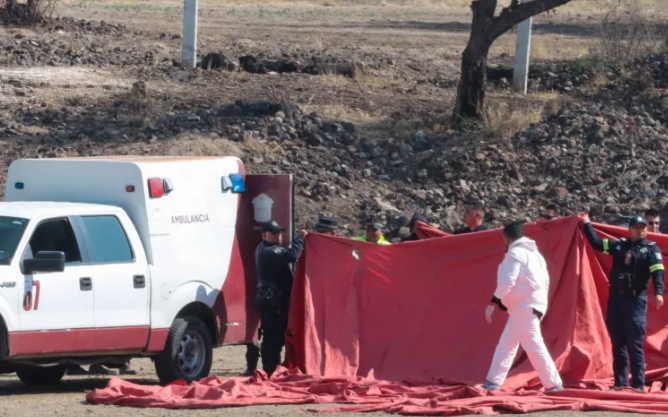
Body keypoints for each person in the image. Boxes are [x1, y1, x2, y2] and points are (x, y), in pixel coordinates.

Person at [580, 214, 665, 391]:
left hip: (636, 301)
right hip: (616, 300)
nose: (640, 230)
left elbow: (658, 272)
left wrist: (658, 292)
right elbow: (596, 243)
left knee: (634, 344)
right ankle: (620, 382)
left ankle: (638, 384)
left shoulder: (651, 249)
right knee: (618, 343)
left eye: (643, 227)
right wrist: (586, 223)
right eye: (637, 227)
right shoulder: (619, 246)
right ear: (630, 229)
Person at [481, 221, 563, 392]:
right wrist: (507, 302)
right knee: (507, 344)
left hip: (524, 306)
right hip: (528, 305)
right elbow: (537, 282)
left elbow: (508, 280)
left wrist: (495, 301)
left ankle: (554, 384)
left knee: (533, 344)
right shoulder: (535, 255)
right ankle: (492, 382)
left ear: (506, 237)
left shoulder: (515, 253)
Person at [255, 220, 306, 376]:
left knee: (274, 336)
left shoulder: (265, 248)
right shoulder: (269, 250)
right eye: (273, 233)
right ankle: (270, 371)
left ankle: (271, 369)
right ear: (264, 235)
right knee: (274, 337)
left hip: (272, 298)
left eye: (279, 232)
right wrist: (300, 239)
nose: (278, 235)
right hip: (272, 300)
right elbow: (292, 255)